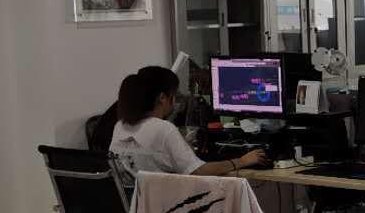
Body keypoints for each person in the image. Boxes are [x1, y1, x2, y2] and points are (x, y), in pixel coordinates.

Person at [110, 65, 265, 176]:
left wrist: (181, 147)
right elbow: (199, 171)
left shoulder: (120, 125)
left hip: (137, 206)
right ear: (163, 98)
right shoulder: (163, 128)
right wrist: (242, 161)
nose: (175, 101)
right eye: (174, 95)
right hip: (166, 206)